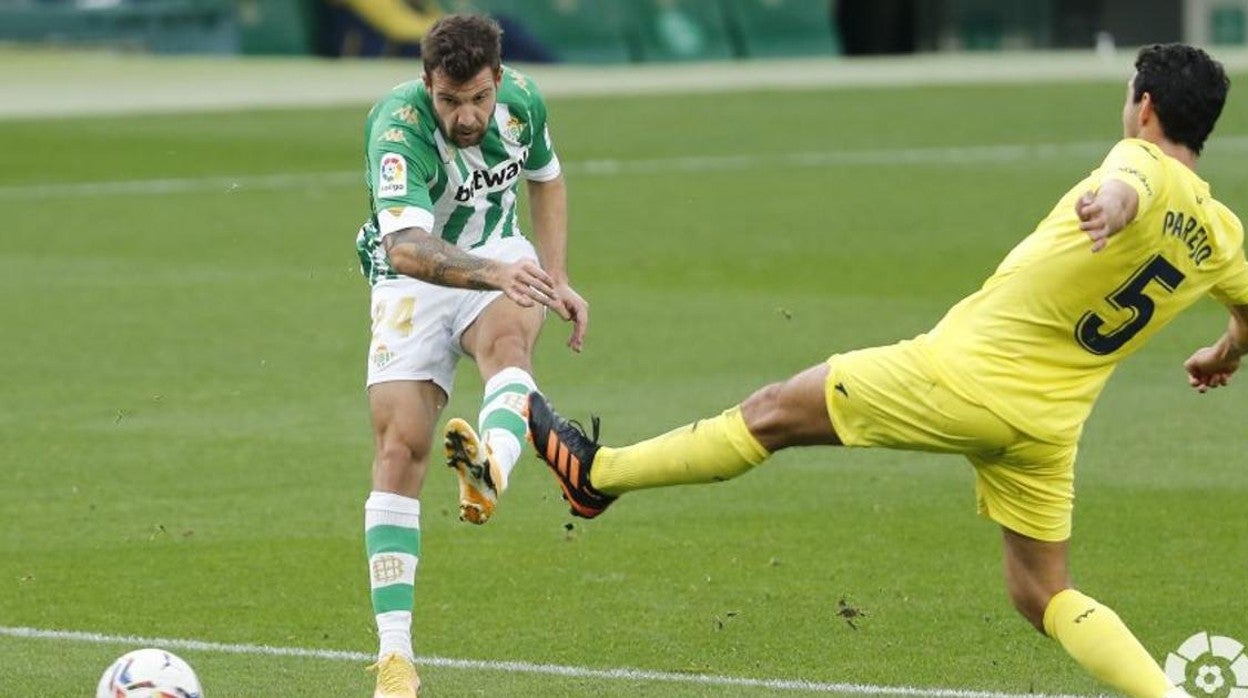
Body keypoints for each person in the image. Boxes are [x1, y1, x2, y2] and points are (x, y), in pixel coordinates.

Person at [529, 43, 1246, 697]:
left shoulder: (1138, 162)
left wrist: (1113, 209)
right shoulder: (1221, 233)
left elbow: (1128, 184)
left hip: (959, 380)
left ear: (1145, 107)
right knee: (1043, 595)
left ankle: (598, 475)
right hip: (1047, 429)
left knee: (772, 413)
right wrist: (1225, 351)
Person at [353, 13, 587, 697]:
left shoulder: (523, 102)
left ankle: (491, 472)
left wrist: (555, 275)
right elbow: (405, 248)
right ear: (427, 82)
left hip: (500, 253)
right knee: (400, 448)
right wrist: (495, 274)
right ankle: (395, 659)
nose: (467, 116)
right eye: (450, 100)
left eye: (480, 98)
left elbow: (546, 178)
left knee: (510, 342)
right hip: (413, 277)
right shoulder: (397, 126)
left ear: (499, 79)